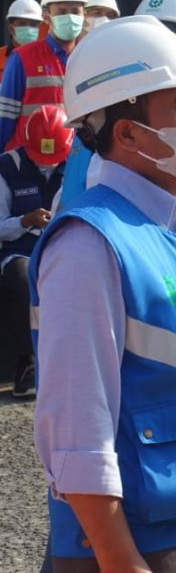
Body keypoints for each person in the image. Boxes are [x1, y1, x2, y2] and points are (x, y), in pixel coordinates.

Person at [31, 16, 176, 573]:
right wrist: (117, 557)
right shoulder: (90, 244)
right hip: (140, 548)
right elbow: (74, 422)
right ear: (127, 132)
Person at [0, 105, 70, 399]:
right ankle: (29, 363)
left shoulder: (78, 167)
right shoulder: (7, 168)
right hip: (18, 253)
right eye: (41, 160)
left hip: (64, 248)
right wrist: (24, 221)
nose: (47, 167)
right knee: (22, 278)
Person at [0, 0, 86, 152]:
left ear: (84, 14)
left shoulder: (89, 57)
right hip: (27, 164)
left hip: (73, 161)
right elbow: (5, 118)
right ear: (46, 15)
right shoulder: (22, 58)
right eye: (61, 12)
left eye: (75, 11)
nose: (69, 17)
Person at [3, 0, 42, 77]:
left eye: (33, 24)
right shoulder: (1, 56)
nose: (28, 28)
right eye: (22, 24)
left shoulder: (49, 57)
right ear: (10, 27)